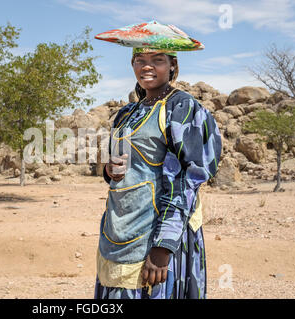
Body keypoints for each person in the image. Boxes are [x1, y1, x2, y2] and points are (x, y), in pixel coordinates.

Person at [93, 20, 222, 299]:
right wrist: (109, 169)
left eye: (157, 60)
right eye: (139, 59)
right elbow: (124, 164)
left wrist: (163, 247)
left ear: (172, 65)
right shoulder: (127, 112)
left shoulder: (183, 108)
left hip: (159, 232)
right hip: (121, 227)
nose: (147, 66)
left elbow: (189, 179)